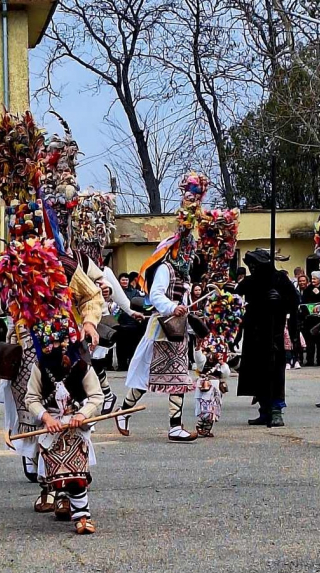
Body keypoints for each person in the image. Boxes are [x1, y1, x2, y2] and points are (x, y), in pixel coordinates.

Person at [0, 110, 103, 486]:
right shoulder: (5, 269)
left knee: (72, 413)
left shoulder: (60, 264)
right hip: (27, 353)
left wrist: (89, 322)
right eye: (19, 232)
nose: (25, 240)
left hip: (63, 346)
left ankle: (65, 489)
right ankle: (46, 484)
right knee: (35, 421)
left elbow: (91, 296)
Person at [117, 173, 209, 441]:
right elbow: (156, 296)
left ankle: (172, 425)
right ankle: (126, 412)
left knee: (178, 377)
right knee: (152, 375)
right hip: (161, 331)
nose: (190, 255)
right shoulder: (167, 269)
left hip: (177, 334)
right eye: (188, 250)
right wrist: (172, 307)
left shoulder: (185, 276)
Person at [24, 346, 103, 535]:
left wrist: (82, 414)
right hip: (52, 428)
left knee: (77, 473)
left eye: (68, 350)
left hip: (76, 427)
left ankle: (83, 517)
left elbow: (97, 396)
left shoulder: (83, 365)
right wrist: (46, 417)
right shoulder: (40, 366)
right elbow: (31, 398)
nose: (65, 355)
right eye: (61, 351)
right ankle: (60, 498)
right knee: (57, 476)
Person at [235, 249, 300, 427]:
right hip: (254, 332)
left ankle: (276, 410)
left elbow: (295, 301)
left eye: (256, 264)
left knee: (274, 373)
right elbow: (235, 297)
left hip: (273, 333)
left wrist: (280, 300)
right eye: (251, 265)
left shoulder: (279, 279)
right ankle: (264, 410)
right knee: (257, 373)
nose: (253, 268)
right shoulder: (249, 281)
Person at [300, 271, 320, 367]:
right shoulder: (308, 289)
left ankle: (319, 359)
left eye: (315, 278)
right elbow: (303, 302)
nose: (313, 280)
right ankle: (309, 360)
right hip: (310, 319)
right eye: (312, 278)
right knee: (309, 341)